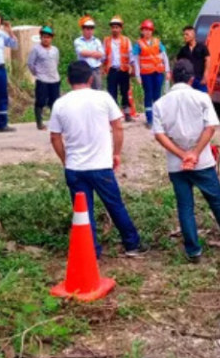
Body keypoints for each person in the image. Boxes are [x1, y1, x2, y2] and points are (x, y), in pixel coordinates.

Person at [49, 61, 148, 258]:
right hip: (101, 165)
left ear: (68, 80)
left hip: (75, 167)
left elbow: (54, 137)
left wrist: (65, 160)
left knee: (83, 212)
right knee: (115, 205)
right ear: (90, 79)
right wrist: (116, 153)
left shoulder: (60, 103)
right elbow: (118, 127)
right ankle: (132, 244)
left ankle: (91, 251)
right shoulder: (103, 97)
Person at [152, 59, 220, 262]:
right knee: (217, 201)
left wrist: (182, 154)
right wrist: (195, 153)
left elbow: (159, 135)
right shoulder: (202, 98)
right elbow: (210, 127)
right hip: (202, 162)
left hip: (176, 164)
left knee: (185, 207)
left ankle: (193, 250)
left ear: (172, 78)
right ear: (192, 79)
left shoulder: (160, 104)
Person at [132, 20, 170, 128]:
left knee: (157, 95)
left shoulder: (157, 42)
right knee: (148, 95)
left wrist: (167, 71)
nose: (147, 32)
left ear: (152, 31)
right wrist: (137, 75)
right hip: (146, 74)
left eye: (149, 30)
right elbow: (136, 61)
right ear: (142, 31)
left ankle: (158, 118)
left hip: (158, 72)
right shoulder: (138, 44)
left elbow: (164, 56)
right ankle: (149, 118)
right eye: (145, 30)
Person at [27, 26, 61, 130]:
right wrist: (37, 73)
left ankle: (55, 123)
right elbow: (30, 64)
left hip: (54, 79)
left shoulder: (55, 50)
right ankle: (39, 123)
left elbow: (56, 62)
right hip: (42, 79)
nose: (46, 39)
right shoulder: (36, 49)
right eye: (44, 37)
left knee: (54, 102)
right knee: (40, 101)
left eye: (48, 37)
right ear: (41, 37)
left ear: (51, 38)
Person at [103, 16, 133, 122]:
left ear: (121, 28)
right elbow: (103, 55)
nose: (115, 29)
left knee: (125, 92)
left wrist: (132, 67)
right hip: (112, 70)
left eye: (117, 27)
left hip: (123, 70)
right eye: (113, 27)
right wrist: (102, 67)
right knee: (112, 93)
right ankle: (114, 115)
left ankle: (127, 113)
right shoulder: (107, 41)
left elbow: (131, 55)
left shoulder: (126, 40)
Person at [74, 16, 104, 90]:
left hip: (96, 70)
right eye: (87, 28)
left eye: (91, 28)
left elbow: (101, 54)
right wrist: (95, 53)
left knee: (97, 91)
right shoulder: (78, 41)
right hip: (83, 70)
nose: (89, 30)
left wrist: (88, 53)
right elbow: (82, 53)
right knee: (83, 90)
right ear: (83, 29)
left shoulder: (97, 41)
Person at [176, 26, 210, 93]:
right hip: (187, 79)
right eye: (184, 35)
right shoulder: (183, 50)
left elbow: (208, 60)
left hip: (199, 78)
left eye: (187, 34)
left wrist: (205, 76)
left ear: (193, 35)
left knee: (202, 96)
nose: (185, 36)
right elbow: (178, 62)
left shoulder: (202, 47)